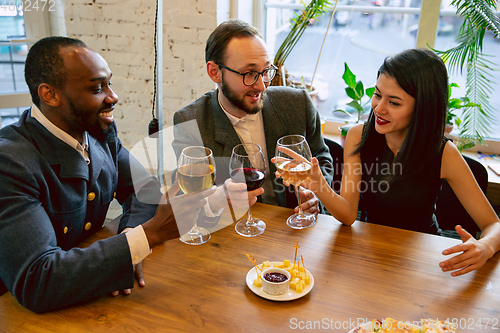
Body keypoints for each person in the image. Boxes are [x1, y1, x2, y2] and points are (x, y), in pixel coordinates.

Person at [0, 36, 216, 313]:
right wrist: (148, 235)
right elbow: (38, 281)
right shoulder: (10, 163)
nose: (113, 97)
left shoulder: (96, 130)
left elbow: (143, 190)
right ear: (50, 95)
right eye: (97, 88)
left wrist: (128, 246)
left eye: (109, 83)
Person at [276, 48, 500, 276]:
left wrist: (485, 246)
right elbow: (348, 215)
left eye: (394, 103)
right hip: (370, 252)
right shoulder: (358, 135)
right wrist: (318, 185)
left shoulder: (443, 152)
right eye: (377, 94)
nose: (378, 108)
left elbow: (494, 225)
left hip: (422, 260)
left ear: (422, 107)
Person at [172, 19, 333, 216]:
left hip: (294, 231)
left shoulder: (297, 104)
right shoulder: (191, 123)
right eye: (249, 73)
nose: (262, 86)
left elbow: (321, 159)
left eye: (265, 71)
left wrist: (315, 194)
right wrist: (216, 200)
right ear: (215, 72)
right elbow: (188, 201)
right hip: (234, 236)